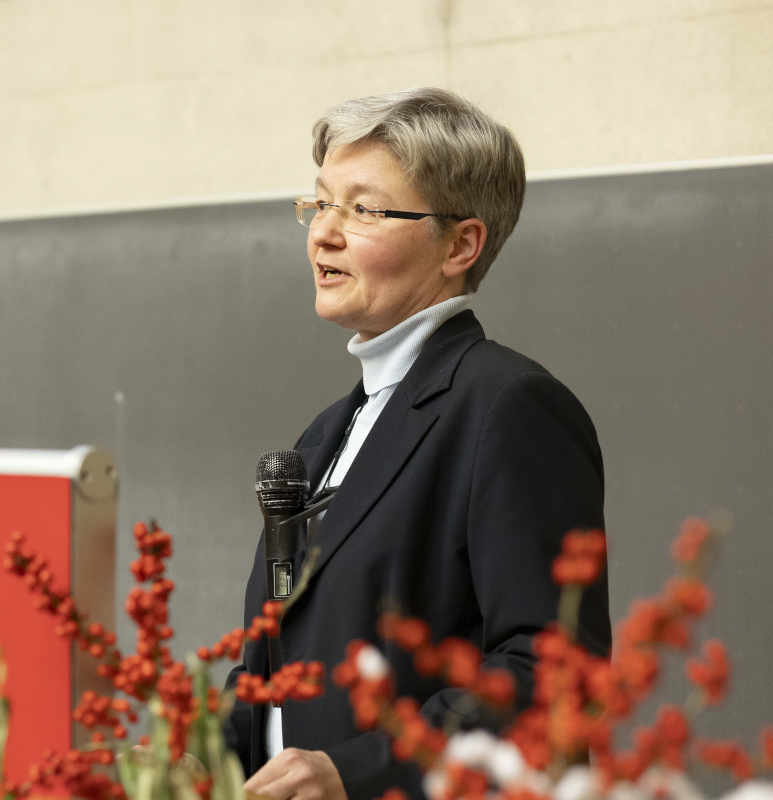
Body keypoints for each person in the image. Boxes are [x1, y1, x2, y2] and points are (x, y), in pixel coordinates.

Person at [223, 87, 611, 799]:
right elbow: (273, 663)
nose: (323, 233)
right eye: (320, 203)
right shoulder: (326, 432)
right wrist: (205, 754)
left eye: (364, 210)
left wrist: (358, 772)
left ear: (460, 245)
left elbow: (551, 672)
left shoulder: (509, 406)